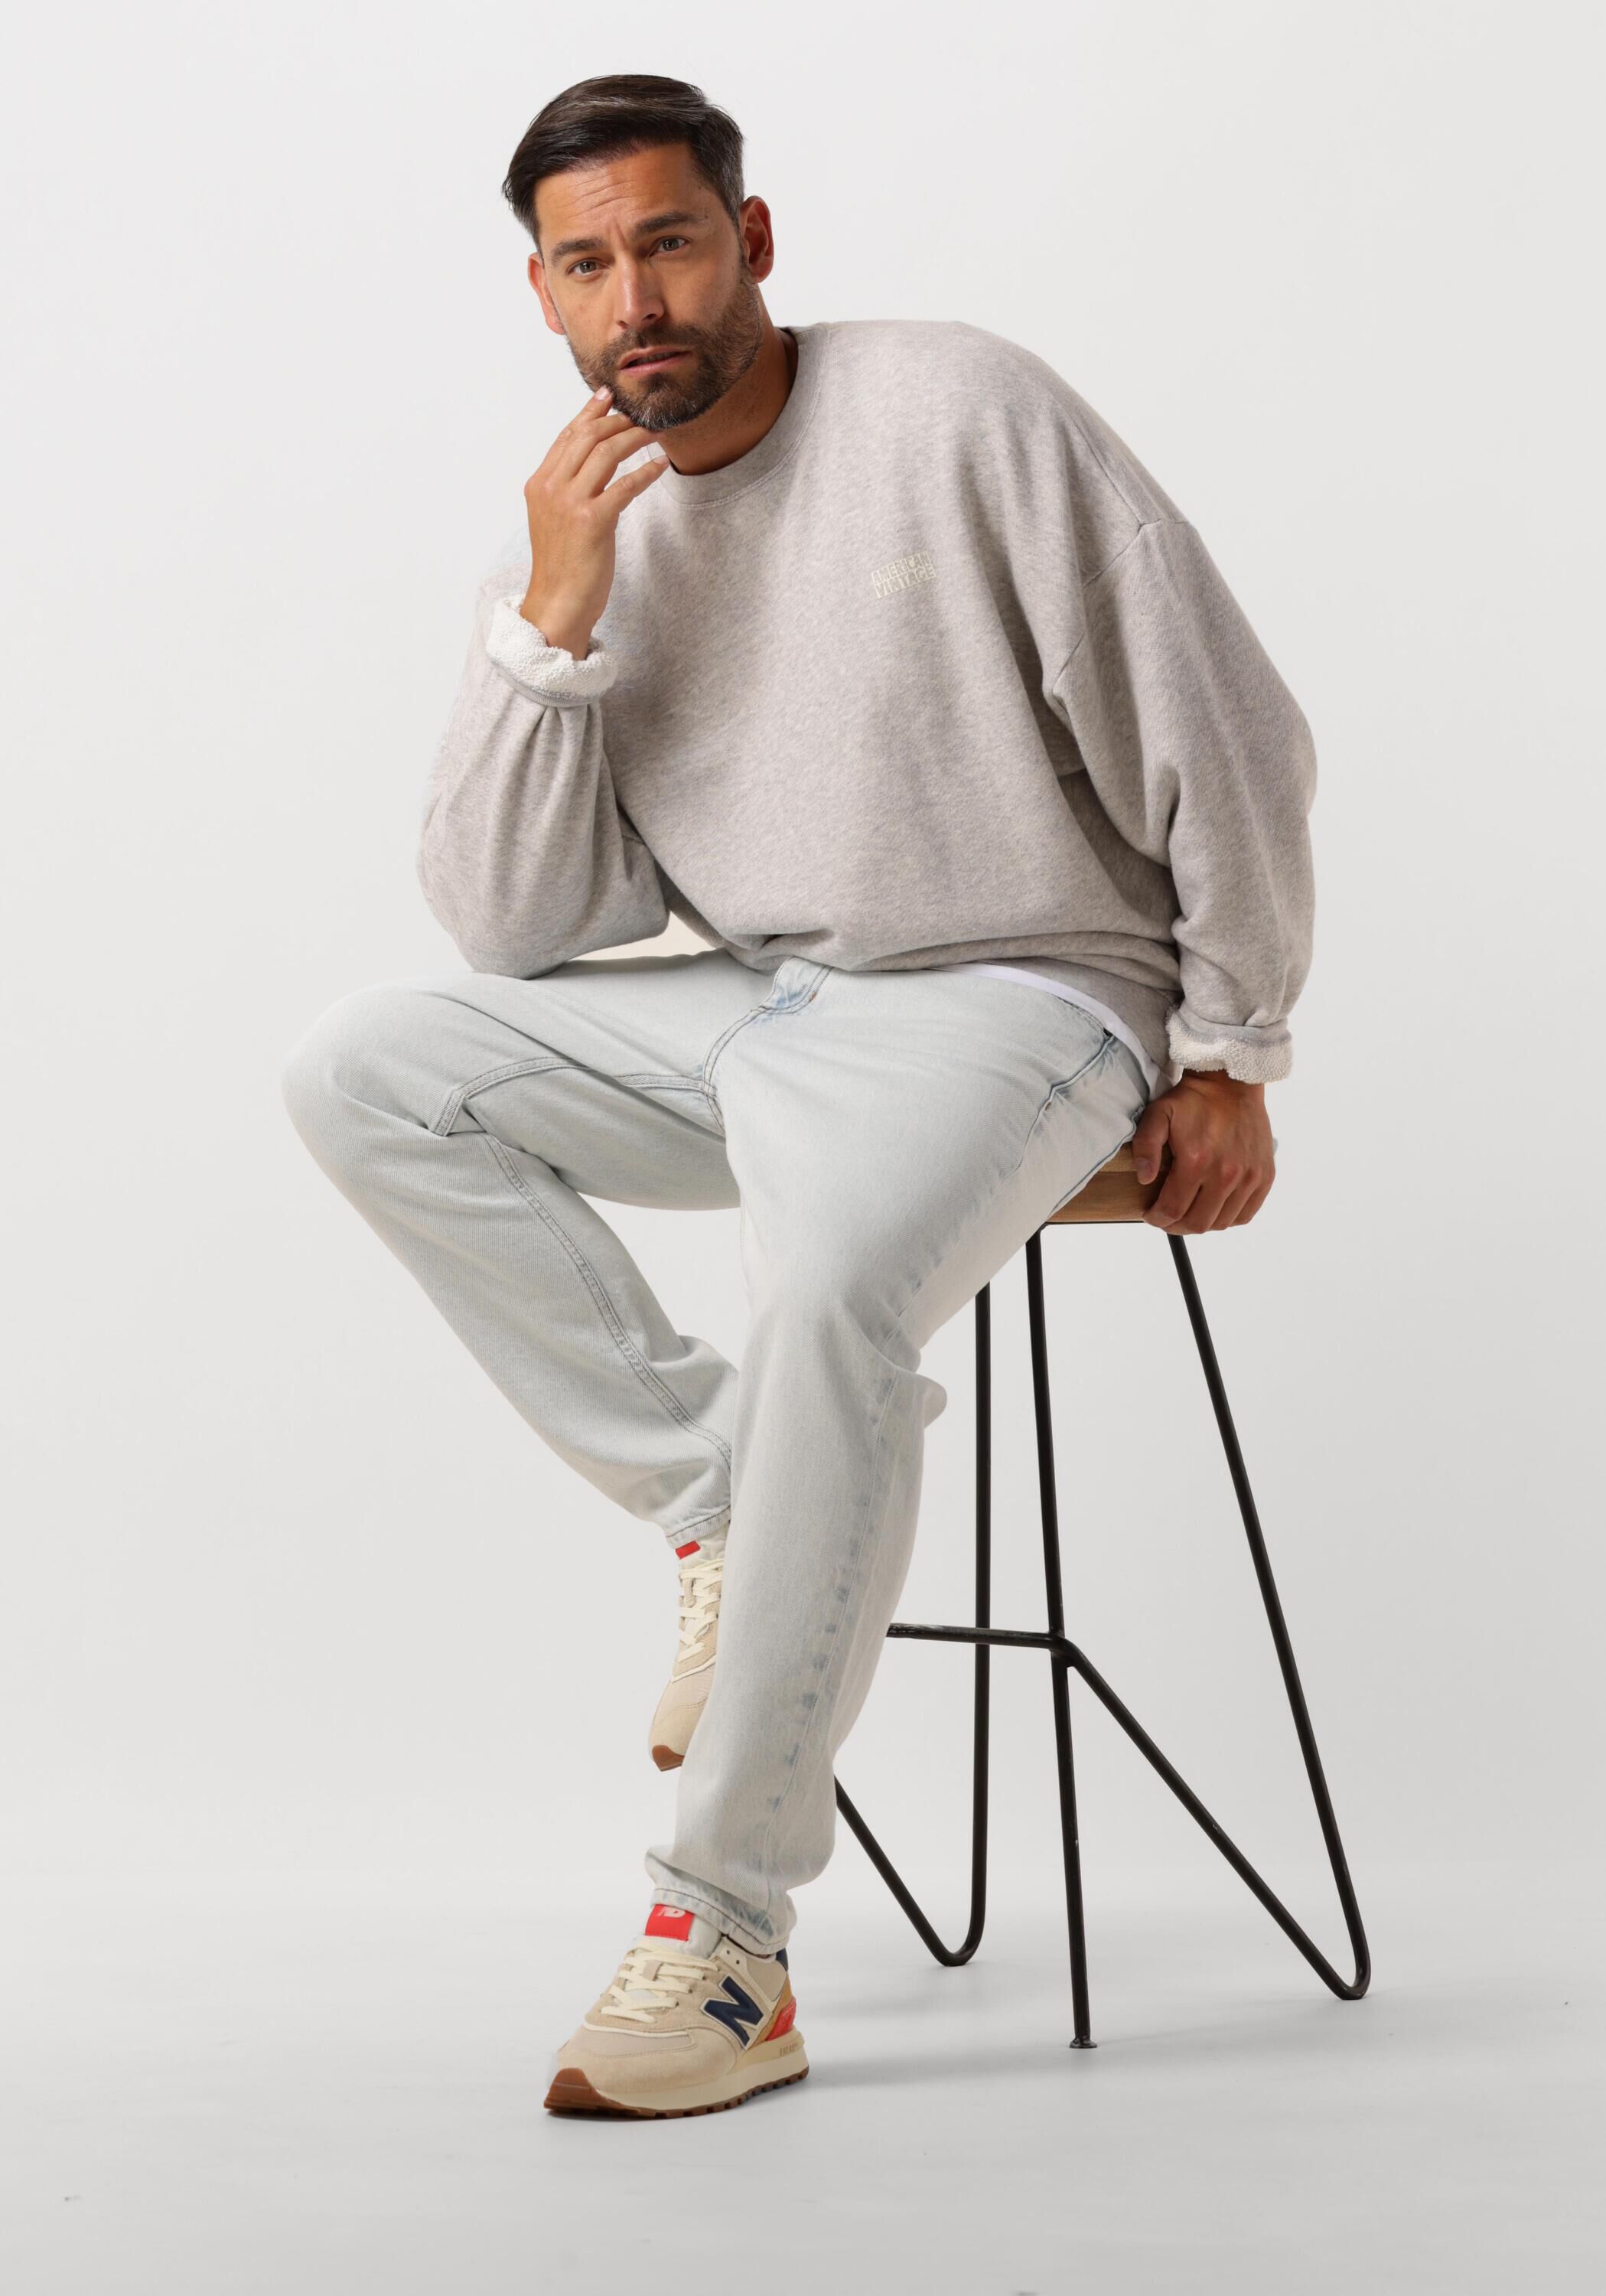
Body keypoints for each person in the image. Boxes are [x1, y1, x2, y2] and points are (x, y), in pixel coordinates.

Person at [280, 73, 1317, 2120]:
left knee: (830, 1294)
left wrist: (1233, 1046)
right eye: (588, 263)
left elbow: (1230, 729)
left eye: (670, 242)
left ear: (750, 243)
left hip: (1025, 991)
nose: (636, 299)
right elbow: (517, 924)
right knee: (371, 1070)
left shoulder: (956, 409)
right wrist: (550, 620)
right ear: (540, 293)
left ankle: (726, 1937)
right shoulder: (592, 528)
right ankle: (718, 1497)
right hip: (771, 999)